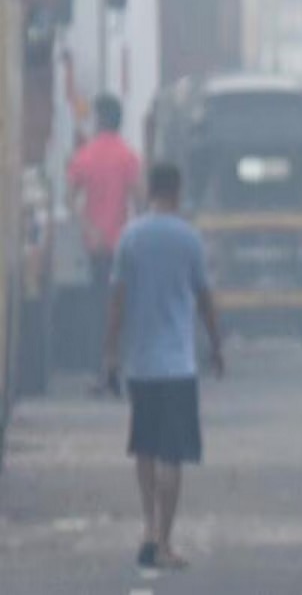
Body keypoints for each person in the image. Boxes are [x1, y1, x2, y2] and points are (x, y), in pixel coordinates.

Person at [103, 163, 224, 571]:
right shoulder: (189, 239)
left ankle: (149, 527)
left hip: (141, 364)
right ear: (178, 190)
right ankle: (166, 542)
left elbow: (117, 301)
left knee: (145, 447)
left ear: (150, 190)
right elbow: (204, 298)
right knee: (172, 454)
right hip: (177, 365)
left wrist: (110, 354)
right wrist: (217, 347)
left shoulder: (130, 237)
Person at [69, 93, 142, 391]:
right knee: (123, 309)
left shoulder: (84, 156)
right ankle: (120, 370)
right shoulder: (129, 156)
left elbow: (70, 199)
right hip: (123, 245)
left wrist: (89, 227)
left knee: (98, 309)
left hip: (96, 246)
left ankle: (101, 373)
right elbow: (140, 200)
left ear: (99, 119)